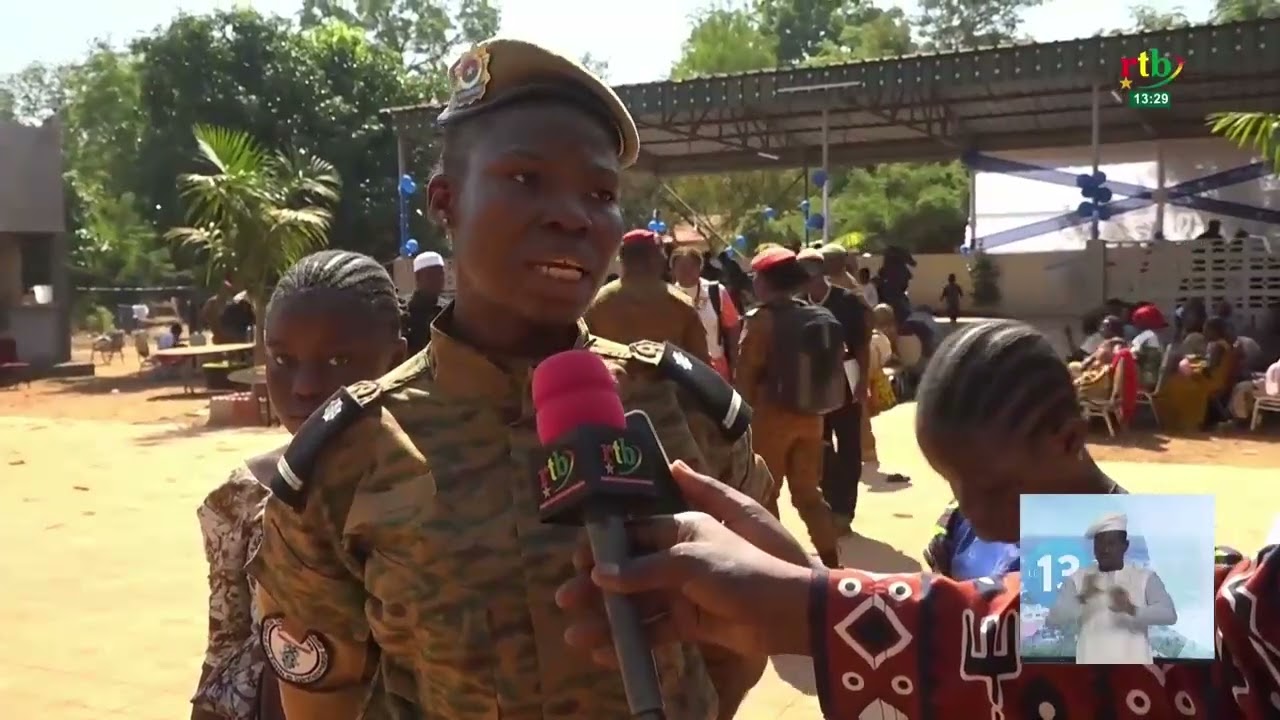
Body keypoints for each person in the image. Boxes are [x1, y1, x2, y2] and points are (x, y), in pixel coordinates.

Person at [247, 39, 772, 720]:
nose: (572, 215)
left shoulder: (688, 409)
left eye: (601, 193)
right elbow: (324, 694)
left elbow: (740, 640)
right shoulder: (346, 452)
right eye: (526, 179)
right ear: (445, 201)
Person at [557, 321, 1280, 719]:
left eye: (990, 487)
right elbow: (955, 664)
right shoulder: (961, 537)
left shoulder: (1176, 573)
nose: (967, 509)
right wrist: (811, 589)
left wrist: (812, 607)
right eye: (951, 483)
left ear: (1067, 440)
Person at [192, 251, 408, 720]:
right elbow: (226, 652)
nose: (306, 386)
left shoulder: (435, 488)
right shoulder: (242, 497)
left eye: (338, 359)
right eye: (283, 359)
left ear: (398, 361)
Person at [736, 246, 843, 567]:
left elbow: (746, 377)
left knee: (766, 495)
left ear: (766, 283)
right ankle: (831, 561)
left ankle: (778, 564)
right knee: (809, 494)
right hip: (812, 417)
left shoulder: (760, 321)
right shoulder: (811, 313)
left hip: (771, 419)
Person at [799, 248, 870, 532]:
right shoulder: (797, 305)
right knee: (820, 444)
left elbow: (862, 345)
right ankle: (828, 504)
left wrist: (863, 381)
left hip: (845, 379)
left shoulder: (848, 302)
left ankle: (845, 510)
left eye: (810, 274)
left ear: (822, 273)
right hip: (813, 386)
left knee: (849, 445)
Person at [1045, 512, 1177, 664]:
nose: (1105, 550)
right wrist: (1083, 598)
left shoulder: (1145, 578)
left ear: (1125, 546)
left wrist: (1131, 609)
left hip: (1135, 672)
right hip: (1090, 671)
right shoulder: (1077, 579)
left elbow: (1169, 614)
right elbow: (1053, 620)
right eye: (1100, 544)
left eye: (1111, 543)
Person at [585, 229, 711, 363]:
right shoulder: (681, 303)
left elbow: (581, 355)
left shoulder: (597, 303)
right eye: (662, 254)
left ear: (622, 260)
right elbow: (701, 363)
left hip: (612, 382)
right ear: (655, 260)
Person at [669, 245, 740, 381]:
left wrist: (735, 365)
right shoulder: (668, 296)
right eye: (681, 267)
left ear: (700, 267)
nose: (686, 271)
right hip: (682, 370)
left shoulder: (716, 292)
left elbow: (733, 329)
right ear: (672, 270)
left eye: (691, 267)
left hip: (718, 369)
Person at [1155, 316, 1238, 432]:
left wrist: (1194, 369)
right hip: (1218, 379)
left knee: (1175, 384)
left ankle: (1180, 420)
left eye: (1206, 329)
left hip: (1212, 382)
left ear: (1214, 331)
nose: (1204, 332)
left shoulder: (1216, 346)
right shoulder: (1224, 345)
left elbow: (1209, 368)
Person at [404, 250, 447, 355]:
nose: (438, 279)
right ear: (418, 277)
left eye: (440, 274)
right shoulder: (405, 312)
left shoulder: (448, 310)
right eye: (432, 275)